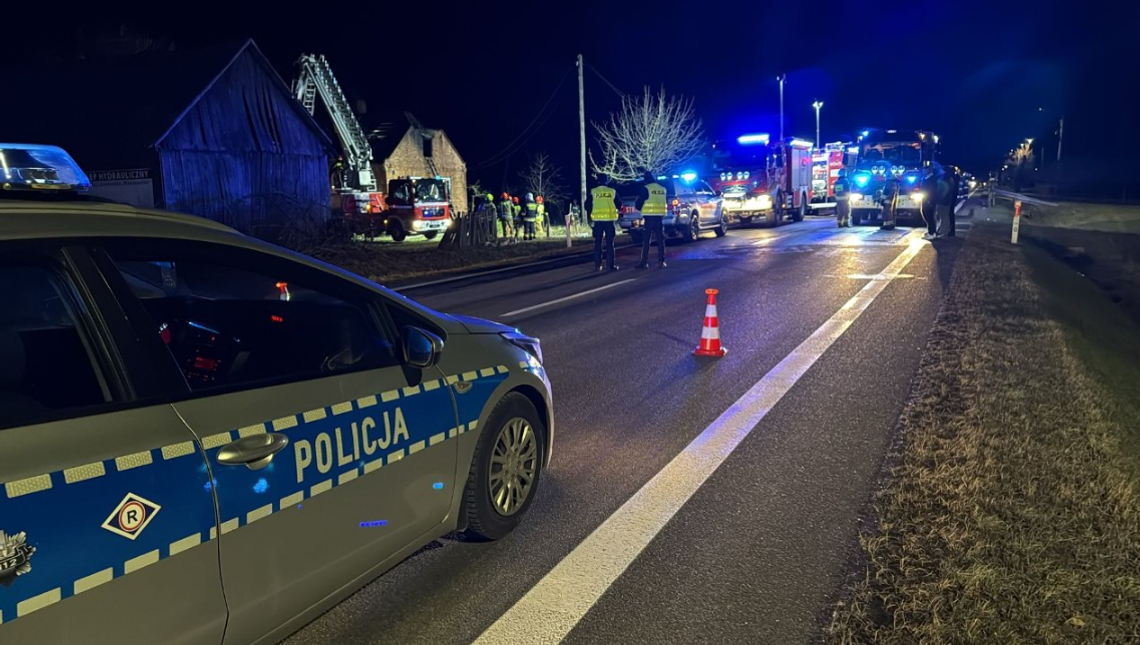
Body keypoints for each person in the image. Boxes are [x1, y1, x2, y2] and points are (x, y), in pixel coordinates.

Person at [587, 174, 622, 271]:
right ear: (606, 181)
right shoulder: (612, 192)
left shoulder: (593, 192)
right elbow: (619, 204)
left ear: (598, 181)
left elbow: (587, 206)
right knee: (609, 243)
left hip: (597, 222)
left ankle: (597, 265)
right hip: (609, 221)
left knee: (598, 243)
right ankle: (610, 265)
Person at [635, 171, 668, 268]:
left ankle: (644, 262)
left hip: (649, 217)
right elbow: (665, 202)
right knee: (660, 240)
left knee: (646, 240)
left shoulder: (646, 188)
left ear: (646, 179)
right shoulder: (662, 189)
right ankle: (661, 261)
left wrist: (639, 207)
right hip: (659, 217)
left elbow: (639, 203)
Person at [921, 165, 939, 240]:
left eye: (924, 170)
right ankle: (931, 231)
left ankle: (932, 232)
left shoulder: (931, 179)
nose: (923, 171)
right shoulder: (925, 178)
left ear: (928, 170)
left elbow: (932, 190)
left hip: (929, 199)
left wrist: (930, 199)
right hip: (925, 198)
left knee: (929, 216)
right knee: (926, 215)